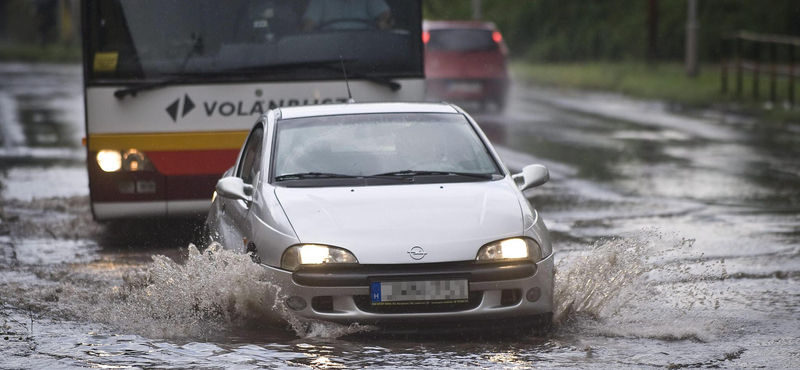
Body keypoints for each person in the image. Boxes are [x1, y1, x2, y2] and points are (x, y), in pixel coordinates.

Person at [302, 0, 394, 31]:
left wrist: (383, 21)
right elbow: (309, 25)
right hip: (329, 53)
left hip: (365, 53)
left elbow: (385, 15)